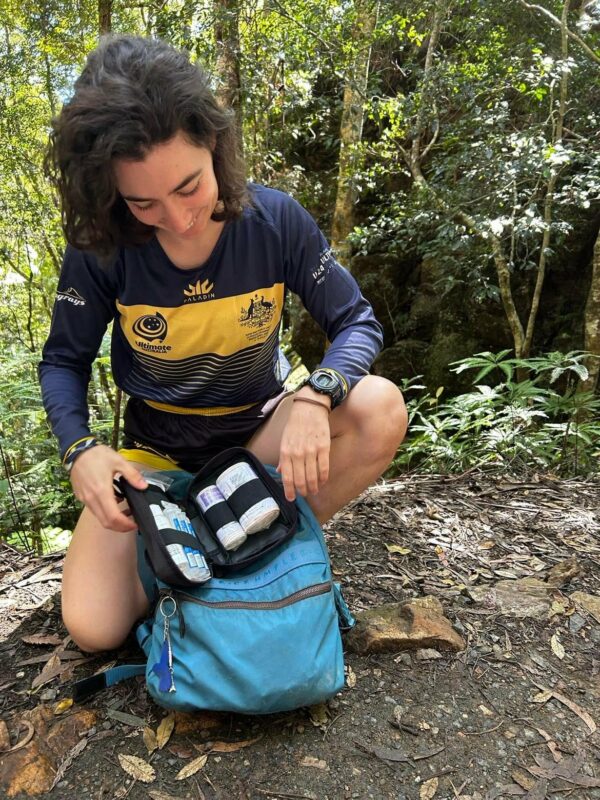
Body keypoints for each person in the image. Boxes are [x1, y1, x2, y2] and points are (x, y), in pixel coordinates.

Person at [39, 34, 408, 654]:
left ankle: (258, 544)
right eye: (143, 202)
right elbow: (63, 361)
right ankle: (213, 546)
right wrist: (81, 451)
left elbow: (357, 321)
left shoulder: (274, 221)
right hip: (155, 462)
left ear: (214, 145)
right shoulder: (104, 247)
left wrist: (318, 396)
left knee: (378, 407)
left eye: (189, 187)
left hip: (258, 445)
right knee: (94, 627)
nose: (178, 217)